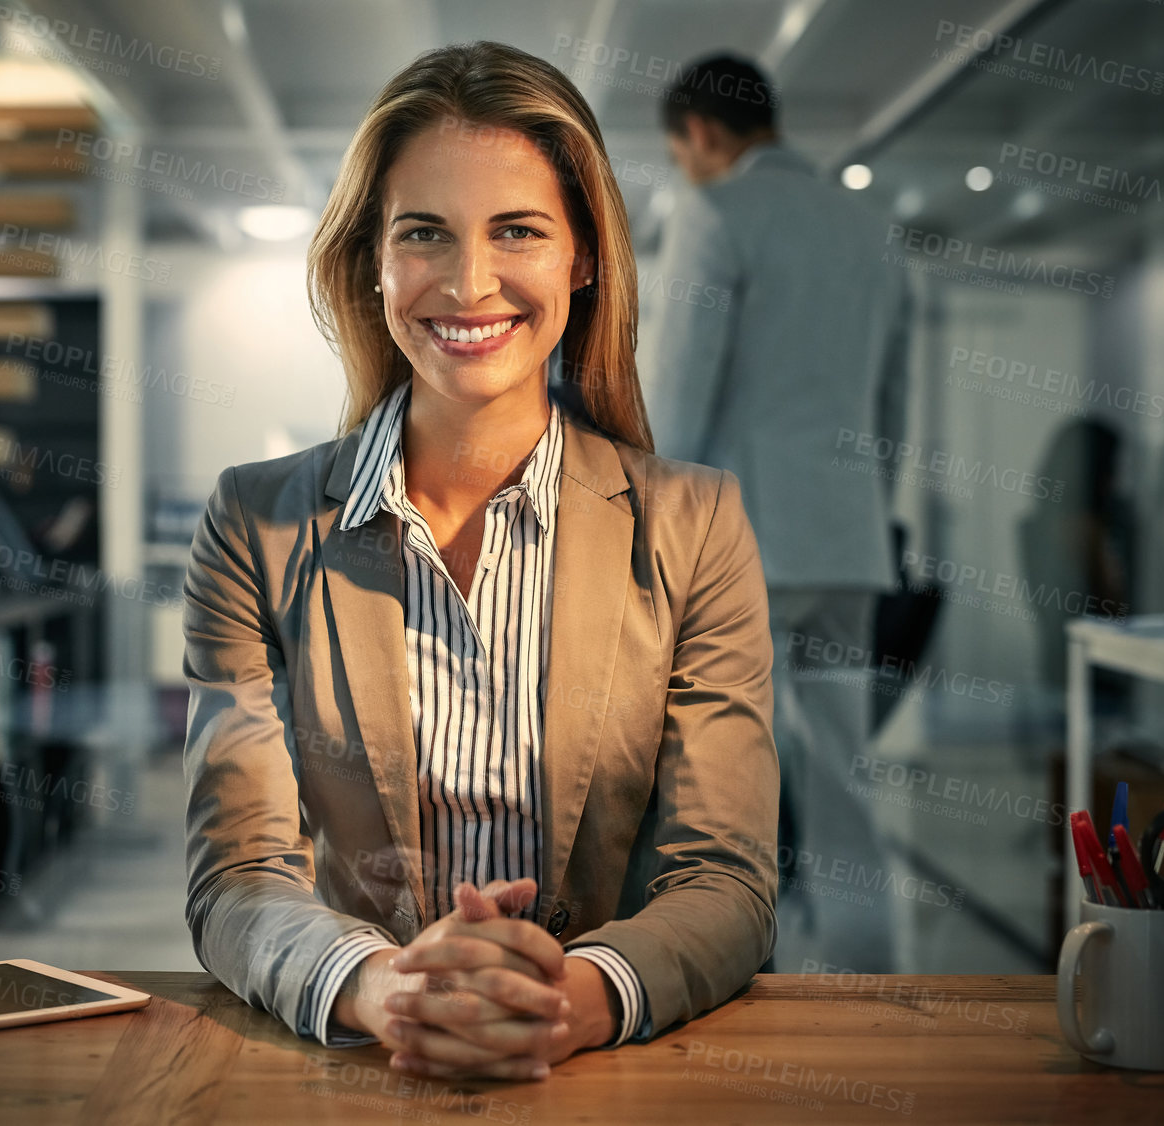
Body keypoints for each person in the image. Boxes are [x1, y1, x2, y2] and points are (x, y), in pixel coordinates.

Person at [181, 41, 779, 1082]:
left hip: (604, 1076)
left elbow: (724, 878)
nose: (468, 282)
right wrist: (383, 987)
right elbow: (238, 874)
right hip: (361, 1067)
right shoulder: (253, 523)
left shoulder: (696, 524)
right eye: (424, 233)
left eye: (518, 231)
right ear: (372, 258)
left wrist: (572, 999)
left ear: (583, 258)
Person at [645, 54, 910, 973]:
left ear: (701, 133)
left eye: (680, 151)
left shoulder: (715, 214)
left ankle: (719, 973)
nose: (684, 169)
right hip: (846, 541)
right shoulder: (871, 230)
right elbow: (893, 409)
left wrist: (645, 534)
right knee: (843, 779)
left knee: (715, 778)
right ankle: (869, 977)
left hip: (741, 547)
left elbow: (677, 399)